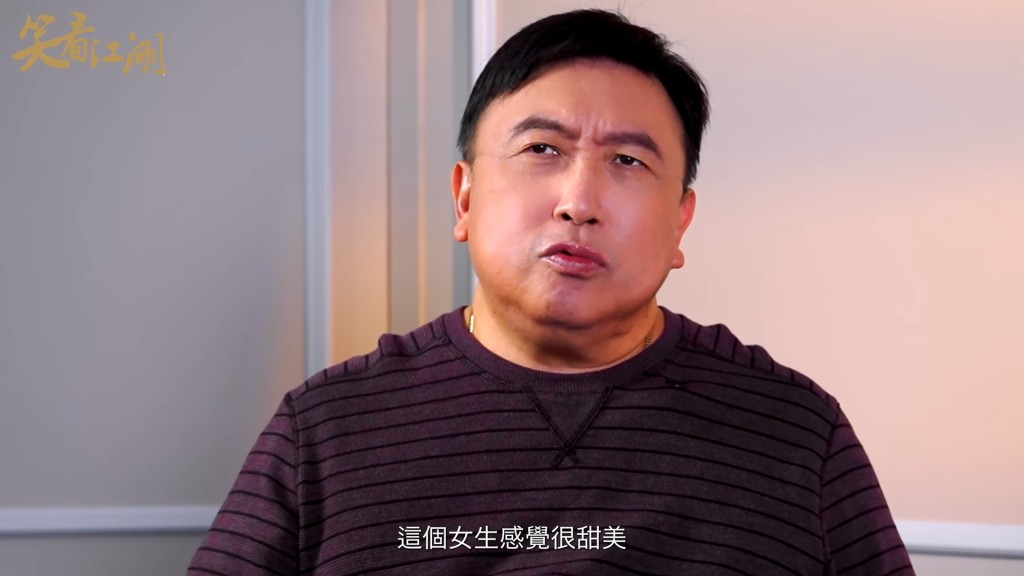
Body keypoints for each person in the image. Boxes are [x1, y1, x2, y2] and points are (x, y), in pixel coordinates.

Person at [188, 9, 914, 575]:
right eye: (542, 149)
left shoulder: (795, 433)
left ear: (681, 222)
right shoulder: (326, 430)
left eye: (627, 161)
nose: (579, 202)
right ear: (464, 197)